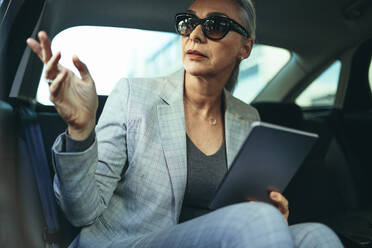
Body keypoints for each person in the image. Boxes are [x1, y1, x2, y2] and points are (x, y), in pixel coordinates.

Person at [27, 0, 343, 247]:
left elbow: (241, 209)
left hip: (215, 238)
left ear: (245, 48)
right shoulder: (134, 95)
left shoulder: (249, 118)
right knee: (257, 221)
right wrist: (81, 131)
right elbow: (82, 211)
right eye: (188, 22)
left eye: (216, 25)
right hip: (134, 242)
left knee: (317, 236)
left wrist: (271, 212)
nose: (195, 34)